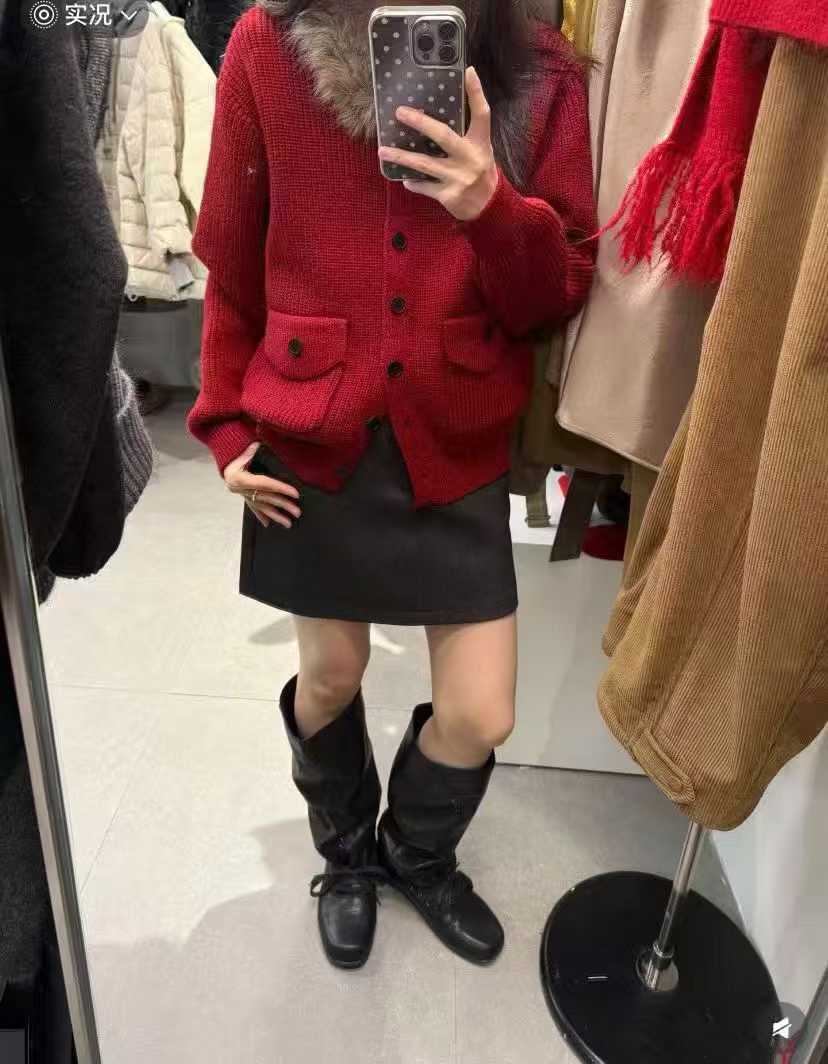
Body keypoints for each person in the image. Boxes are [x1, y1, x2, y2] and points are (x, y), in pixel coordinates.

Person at [188, 0, 595, 970]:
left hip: (454, 434)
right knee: (331, 676)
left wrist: (490, 205)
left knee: (481, 711)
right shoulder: (267, 45)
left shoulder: (540, 68)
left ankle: (414, 851)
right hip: (312, 428)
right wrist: (224, 422)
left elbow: (557, 293)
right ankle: (347, 856)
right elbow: (231, 258)